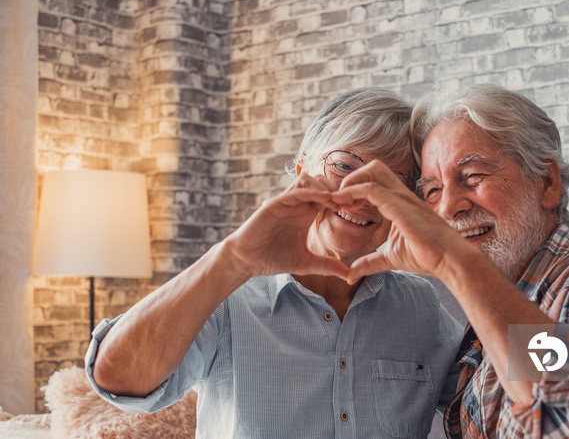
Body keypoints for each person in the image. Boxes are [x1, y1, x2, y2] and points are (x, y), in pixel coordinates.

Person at [84, 87, 464, 438]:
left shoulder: (422, 306)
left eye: (391, 183)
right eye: (345, 166)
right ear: (301, 173)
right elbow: (116, 380)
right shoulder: (229, 294)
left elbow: (519, 393)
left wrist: (463, 268)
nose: (360, 196)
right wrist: (232, 259)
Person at [331, 84, 569, 437]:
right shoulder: (483, 321)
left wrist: (458, 267)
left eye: (473, 176)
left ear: (547, 183)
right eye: (432, 190)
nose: (446, 207)